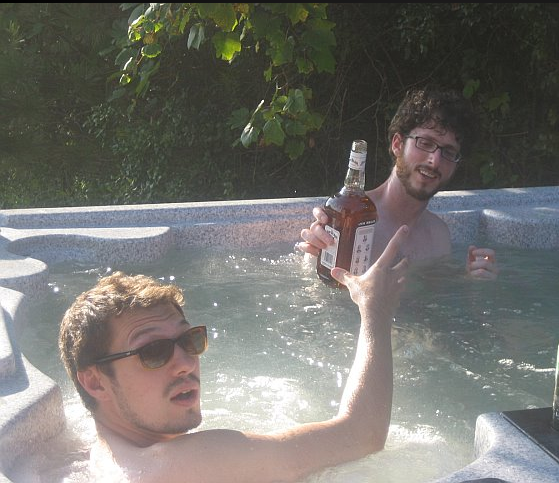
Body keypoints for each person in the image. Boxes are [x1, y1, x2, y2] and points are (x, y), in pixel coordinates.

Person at [59, 226, 410, 483]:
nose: (186, 363)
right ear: (95, 382)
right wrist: (375, 311)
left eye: (189, 341)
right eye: (154, 352)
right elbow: (362, 435)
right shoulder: (179, 466)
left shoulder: (97, 458)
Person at [298, 88, 499, 280]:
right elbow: (315, 295)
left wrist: (470, 283)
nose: (435, 161)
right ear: (397, 144)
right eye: (425, 143)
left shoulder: (439, 236)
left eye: (448, 152)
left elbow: (433, 299)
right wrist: (315, 255)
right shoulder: (350, 219)